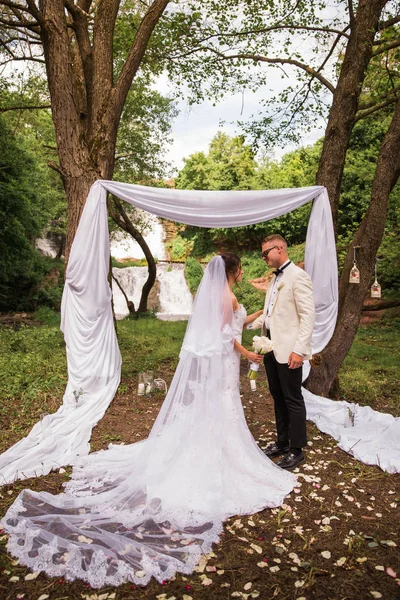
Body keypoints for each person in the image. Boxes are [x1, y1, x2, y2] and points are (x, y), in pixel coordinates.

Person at [1, 254, 296, 588]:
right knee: (224, 405)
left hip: (224, 361)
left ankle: (215, 445)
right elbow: (225, 335)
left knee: (222, 407)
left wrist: (262, 318)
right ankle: (219, 453)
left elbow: (235, 324)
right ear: (233, 272)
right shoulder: (227, 297)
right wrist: (250, 354)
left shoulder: (221, 297)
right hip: (226, 361)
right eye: (241, 269)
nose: (244, 273)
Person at [248, 235, 315, 470]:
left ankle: (297, 450)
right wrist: (245, 325)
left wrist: (299, 350)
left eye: (265, 253)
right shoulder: (274, 278)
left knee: (293, 398)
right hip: (271, 349)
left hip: (290, 351)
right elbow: (270, 314)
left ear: (279, 249)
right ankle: (282, 442)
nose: (263, 257)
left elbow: (308, 316)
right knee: (277, 396)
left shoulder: (298, 276)